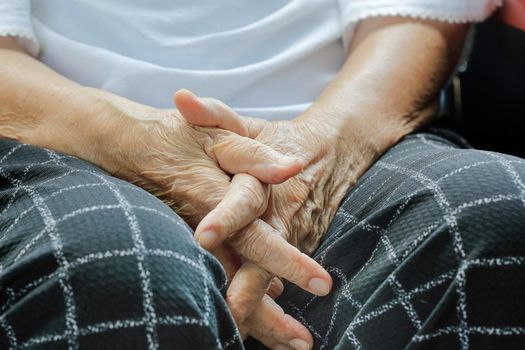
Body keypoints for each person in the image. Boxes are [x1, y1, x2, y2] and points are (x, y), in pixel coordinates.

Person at [0, 0, 523, 349]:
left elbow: (411, 17)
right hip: (62, 139)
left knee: (494, 208)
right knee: (113, 258)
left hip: (353, 132)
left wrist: (309, 160)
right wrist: (144, 146)